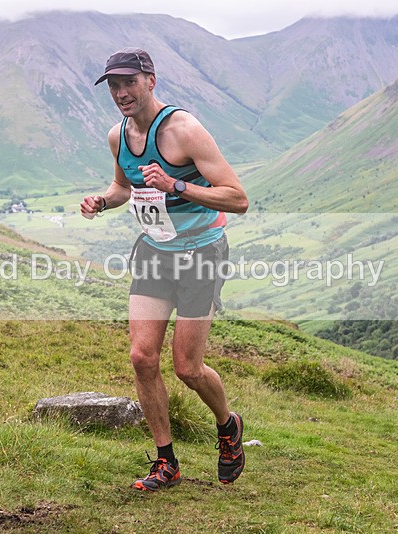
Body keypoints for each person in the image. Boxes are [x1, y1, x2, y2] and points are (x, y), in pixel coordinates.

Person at [81, 47, 249, 490]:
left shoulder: (184, 130)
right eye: (113, 86)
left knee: (188, 368)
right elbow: (122, 187)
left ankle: (228, 424)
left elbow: (237, 198)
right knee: (141, 357)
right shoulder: (118, 136)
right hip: (156, 251)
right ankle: (165, 462)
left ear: (150, 80)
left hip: (202, 254)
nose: (121, 93)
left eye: (128, 83)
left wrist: (176, 184)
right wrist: (102, 201)